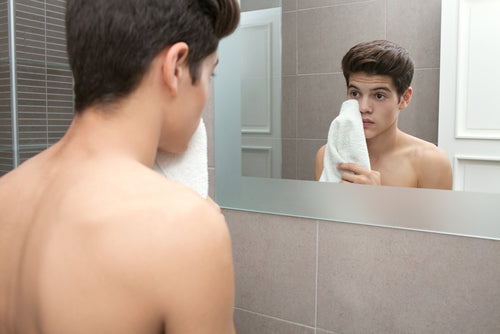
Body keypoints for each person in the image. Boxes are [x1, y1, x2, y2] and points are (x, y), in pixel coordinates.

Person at [0, 0, 240, 333]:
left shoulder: (6, 193)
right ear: (176, 67)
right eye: (210, 73)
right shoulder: (187, 229)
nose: (207, 93)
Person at [315, 40, 452, 189]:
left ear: (405, 98)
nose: (363, 107)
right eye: (355, 93)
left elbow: (434, 214)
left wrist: (378, 200)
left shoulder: (431, 161)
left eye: (379, 96)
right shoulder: (329, 155)